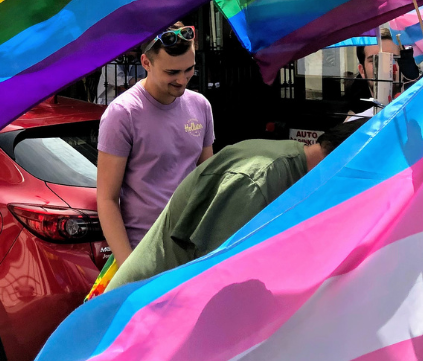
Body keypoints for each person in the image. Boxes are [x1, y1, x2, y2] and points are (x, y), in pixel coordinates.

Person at [105, 120, 366, 291]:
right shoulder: (258, 180)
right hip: (140, 318)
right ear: (342, 165)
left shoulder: (290, 170)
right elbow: (221, 282)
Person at [97, 23, 214, 269]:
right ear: (146, 63)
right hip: (144, 251)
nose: (182, 80)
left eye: (189, 69)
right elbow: (107, 199)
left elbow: (208, 180)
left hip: (193, 249)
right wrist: (129, 268)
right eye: (172, 72)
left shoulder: (201, 105)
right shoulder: (122, 114)